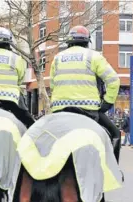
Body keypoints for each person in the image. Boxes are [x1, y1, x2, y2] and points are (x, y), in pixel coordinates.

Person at [49, 25, 121, 162]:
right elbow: (113, 81)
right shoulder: (94, 56)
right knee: (115, 133)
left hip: (59, 110)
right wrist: (107, 103)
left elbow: (53, 85)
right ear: (87, 42)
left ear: (69, 42)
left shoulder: (57, 58)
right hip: (88, 110)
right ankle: (114, 171)